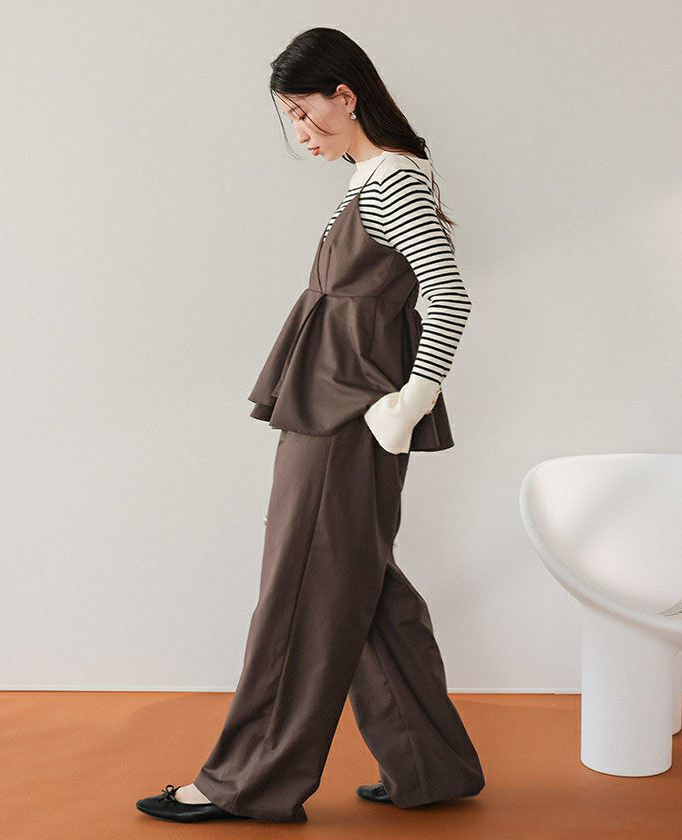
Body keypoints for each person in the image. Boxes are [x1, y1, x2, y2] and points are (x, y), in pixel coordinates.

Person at [136, 26, 485, 824]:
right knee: (361, 588)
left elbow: (449, 294)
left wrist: (412, 399)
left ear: (346, 95)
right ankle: (430, 765)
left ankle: (246, 782)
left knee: (300, 590)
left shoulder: (391, 182)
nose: (299, 132)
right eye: (289, 117)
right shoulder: (371, 179)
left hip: (348, 418)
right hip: (338, 408)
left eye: (303, 111)